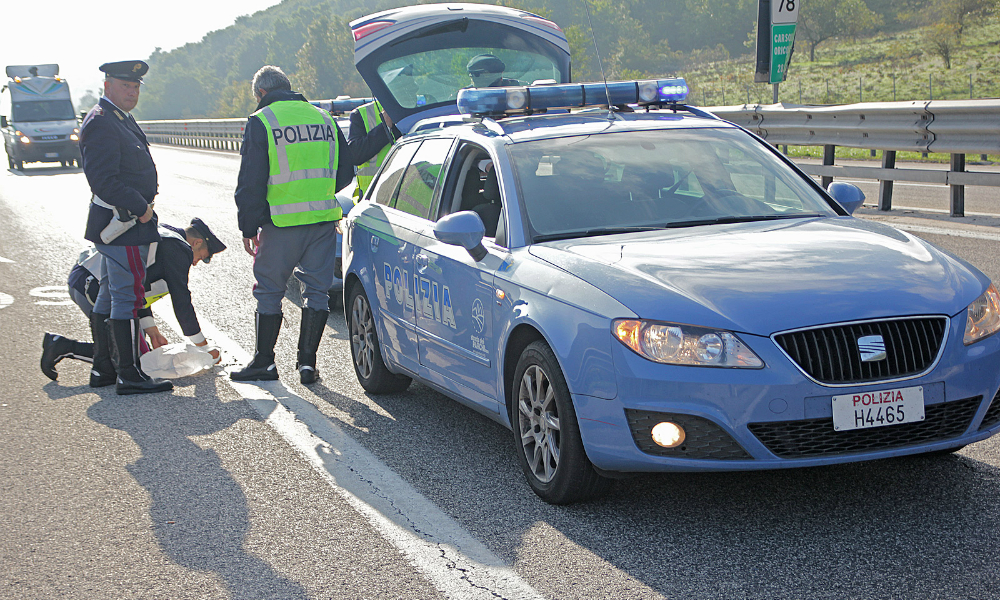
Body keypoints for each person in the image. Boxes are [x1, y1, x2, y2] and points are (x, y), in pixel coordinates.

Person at [232, 65, 393, 384]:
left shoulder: (262, 121)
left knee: (269, 292)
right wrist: (317, 192)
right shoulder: (324, 118)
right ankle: (307, 364)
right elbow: (345, 170)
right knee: (317, 293)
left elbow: (251, 180)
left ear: (262, 93)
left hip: (281, 224)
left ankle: (264, 362)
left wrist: (248, 226)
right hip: (322, 220)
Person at [80, 59, 172, 395]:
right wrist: (141, 207)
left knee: (108, 297)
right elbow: (104, 180)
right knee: (128, 298)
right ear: (107, 86)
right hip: (123, 224)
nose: (132, 92)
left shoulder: (119, 118)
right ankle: (130, 374)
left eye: (135, 87)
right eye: (125, 86)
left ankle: (104, 368)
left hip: (126, 223)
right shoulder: (103, 122)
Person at [41, 218, 227, 382]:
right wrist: (203, 347)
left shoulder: (166, 233)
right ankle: (61, 346)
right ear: (197, 243)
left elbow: (138, 285)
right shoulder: (179, 248)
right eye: (201, 258)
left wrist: (152, 331)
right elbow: (182, 300)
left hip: (88, 279)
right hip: (92, 284)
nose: (194, 263)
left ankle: (68, 350)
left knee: (137, 348)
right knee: (133, 359)